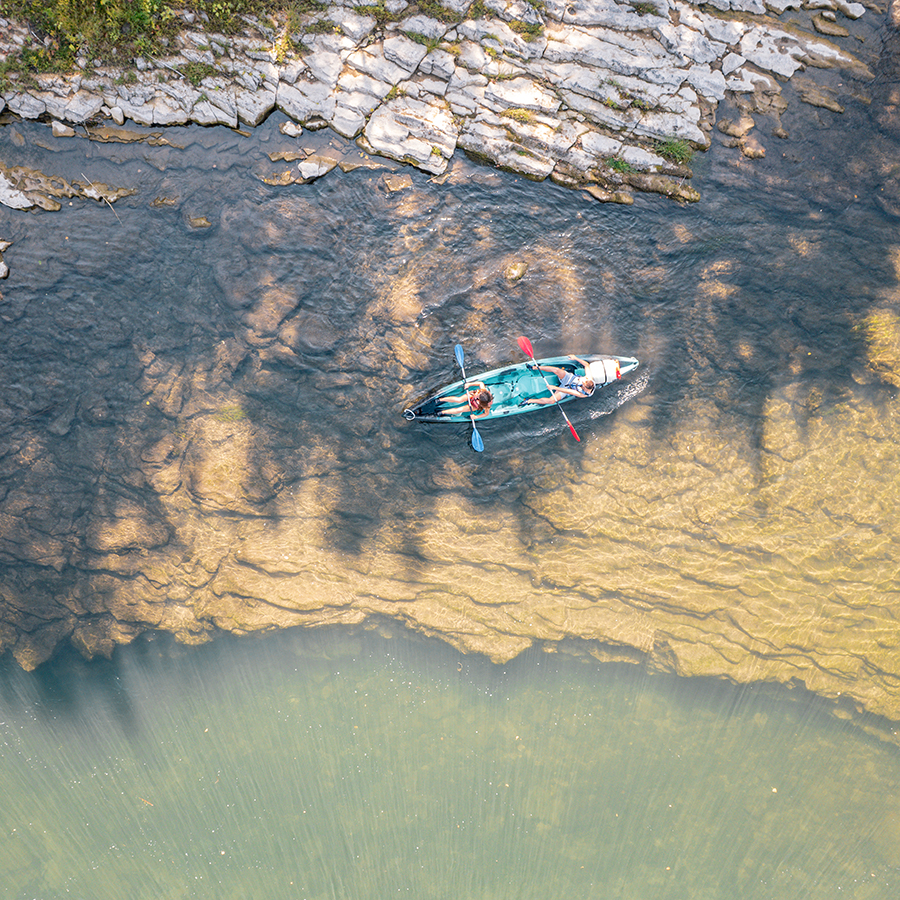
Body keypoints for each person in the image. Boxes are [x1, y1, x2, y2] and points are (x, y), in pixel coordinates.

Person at [525, 355, 598, 406]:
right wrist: (575, 358)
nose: (582, 382)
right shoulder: (588, 378)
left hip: (567, 388)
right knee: (556, 370)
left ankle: (528, 401)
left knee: (552, 401)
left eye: (583, 385)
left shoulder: (583, 394)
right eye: (583, 382)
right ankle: (534, 367)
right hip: (569, 378)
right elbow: (586, 365)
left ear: (586, 388)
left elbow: (568, 391)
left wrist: (554, 388)